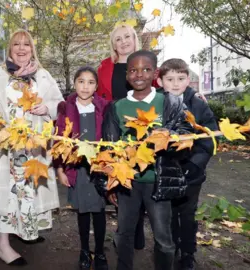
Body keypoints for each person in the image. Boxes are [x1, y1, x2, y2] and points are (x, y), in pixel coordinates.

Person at [102, 50, 192, 270]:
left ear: (155, 72)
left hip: (159, 181)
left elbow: (187, 135)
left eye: (145, 69)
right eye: (133, 70)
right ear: (127, 75)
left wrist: (171, 139)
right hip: (128, 183)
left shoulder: (170, 102)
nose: (139, 74)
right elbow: (110, 146)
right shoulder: (116, 107)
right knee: (124, 233)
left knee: (163, 238)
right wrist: (111, 181)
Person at [0, 29, 64, 266]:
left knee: (30, 188)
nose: (21, 49)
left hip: (33, 146)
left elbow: (60, 103)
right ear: (10, 49)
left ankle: (26, 229)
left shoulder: (41, 76)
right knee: (6, 193)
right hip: (7, 147)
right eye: (16, 45)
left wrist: (47, 108)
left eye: (26, 45)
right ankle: (2, 243)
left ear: (32, 49)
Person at [156, 58, 218, 270]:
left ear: (188, 80)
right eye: (170, 79)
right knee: (168, 215)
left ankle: (188, 253)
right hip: (165, 172)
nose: (175, 84)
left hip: (192, 171)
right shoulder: (156, 103)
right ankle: (171, 249)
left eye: (180, 79)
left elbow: (209, 137)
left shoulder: (198, 105)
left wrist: (196, 163)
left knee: (188, 214)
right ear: (160, 81)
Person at [96, 22, 147, 252]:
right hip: (115, 130)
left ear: (135, 39)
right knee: (120, 179)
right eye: (118, 38)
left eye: (127, 36)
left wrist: (191, 94)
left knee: (141, 178)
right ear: (113, 44)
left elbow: (163, 88)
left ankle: (136, 230)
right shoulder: (105, 67)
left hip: (141, 129)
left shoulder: (146, 62)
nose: (124, 41)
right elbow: (98, 97)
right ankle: (126, 231)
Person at [55, 67, 109, 270]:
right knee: (83, 212)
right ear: (75, 83)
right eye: (81, 81)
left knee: (99, 211)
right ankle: (85, 250)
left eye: (90, 82)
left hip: (98, 168)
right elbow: (59, 139)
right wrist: (60, 169)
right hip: (77, 169)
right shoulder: (65, 107)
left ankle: (100, 252)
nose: (85, 87)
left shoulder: (104, 107)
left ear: (96, 86)